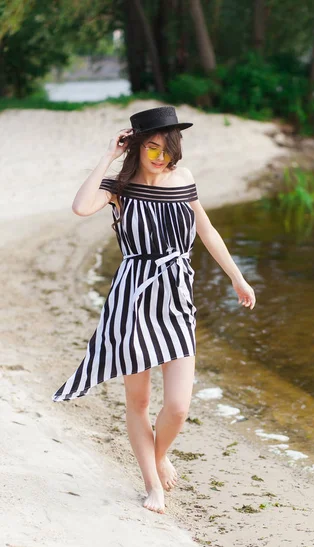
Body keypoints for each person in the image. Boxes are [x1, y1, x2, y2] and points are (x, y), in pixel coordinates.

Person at [52, 106, 256, 514]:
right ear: (135, 146)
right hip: (133, 297)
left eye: (166, 148)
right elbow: (80, 207)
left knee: (179, 406)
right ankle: (152, 485)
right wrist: (107, 157)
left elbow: (206, 228)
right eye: (151, 147)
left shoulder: (183, 178)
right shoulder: (119, 185)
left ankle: (159, 453)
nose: (160, 157)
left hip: (177, 297)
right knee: (139, 402)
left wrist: (236, 276)